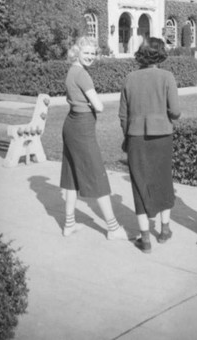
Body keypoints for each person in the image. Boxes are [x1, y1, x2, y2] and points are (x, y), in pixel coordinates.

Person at [60, 36, 128, 241]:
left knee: (71, 176)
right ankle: (113, 228)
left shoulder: (72, 71)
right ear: (77, 52)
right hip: (82, 128)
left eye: (92, 53)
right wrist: (94, 106)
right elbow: (98, 105)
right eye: (86, 53)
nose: (90, 56)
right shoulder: (83, 75)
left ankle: (69, 224)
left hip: (71, 125)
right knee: (97, 175)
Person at [119, 37, 181, 254]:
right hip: (162, 135)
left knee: (139, 183)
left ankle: (145, 238)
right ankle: (164, 231)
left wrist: (127, 137)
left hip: (136, 136)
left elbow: (123, 116)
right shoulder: (167, 77)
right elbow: (176, 111)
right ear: (161, 53)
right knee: (163, 180)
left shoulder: (130, 78)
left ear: (141, 54)